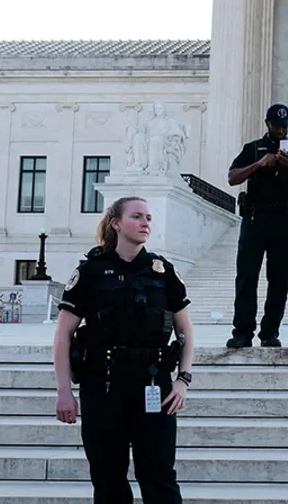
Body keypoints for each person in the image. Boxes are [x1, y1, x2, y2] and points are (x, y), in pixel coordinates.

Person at [52, 196, 194, 504]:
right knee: (108, 478)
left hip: (154, 384)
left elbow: (185, 332)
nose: (146, 223)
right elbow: (64, 334)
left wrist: (184, 380)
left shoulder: (162, 272)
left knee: (159, 477)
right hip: (103, 385)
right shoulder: (91, 271)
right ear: (116, 223)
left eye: (149, 218)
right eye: (137, 216)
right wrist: (64, 390)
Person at [226, 103, 288, 349]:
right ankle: (242, 332)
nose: (281, 131)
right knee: (246, 277)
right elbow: (233, 177)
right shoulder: (253, 149)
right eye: (277, 126)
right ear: (268, 124)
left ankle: (270, 332)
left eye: (284, 127)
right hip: (255, 219)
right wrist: (259, 164)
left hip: (284, 221)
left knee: (280, 279)